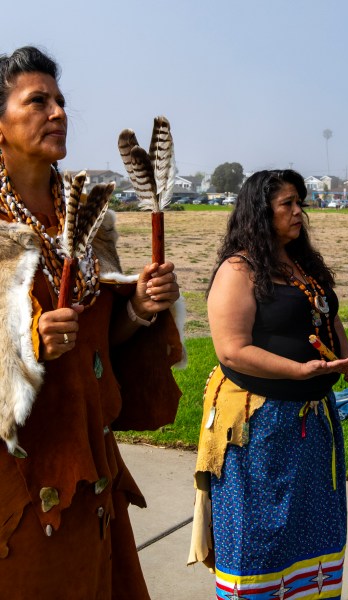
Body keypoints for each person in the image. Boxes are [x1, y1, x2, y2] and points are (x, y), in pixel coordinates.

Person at [0, 46, 185, 598]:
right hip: (22, 473)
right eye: (38, 101)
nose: (58, 112)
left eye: (59, 100)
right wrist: (29, 345)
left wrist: (139, 309)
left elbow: (103, 342)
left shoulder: (89, 218)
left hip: (90, 459)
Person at [188, 169, 348, 599]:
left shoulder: (301, 264)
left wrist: (343, 357)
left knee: (310, 522)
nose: (299, 211)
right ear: (260, 213)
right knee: (259, 528)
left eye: (300, 202)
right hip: (259, 426)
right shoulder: (238, 269)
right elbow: (231, 350)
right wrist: (297, 371)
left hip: (312, 424)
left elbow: (325, 312)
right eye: (288, 204)